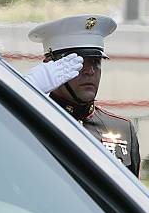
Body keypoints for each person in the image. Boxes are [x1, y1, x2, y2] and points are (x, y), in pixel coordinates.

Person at [28, 14, 140, 177]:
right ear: (50, 66)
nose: (90, 71)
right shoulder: (33, 120)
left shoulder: (122, 128)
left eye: (96, 61)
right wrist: (26, 91)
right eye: (78, 62)